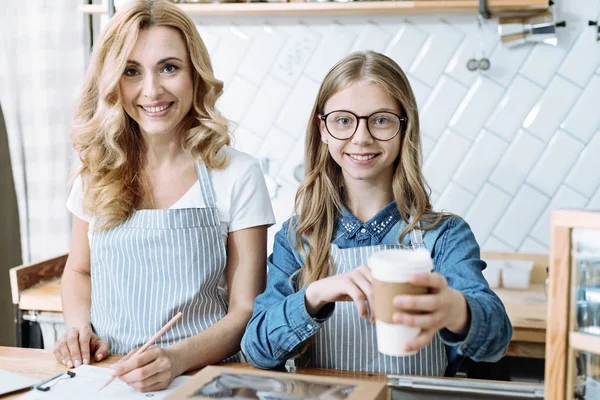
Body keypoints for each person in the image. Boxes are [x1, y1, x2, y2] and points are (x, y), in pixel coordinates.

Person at [241, 51, 512, 377]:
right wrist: (315, 294)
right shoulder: (299, 237)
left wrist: (456, 310)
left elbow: (496, 341)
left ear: (404, 128)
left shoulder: (444, 235)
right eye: (343, 120)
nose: (361, 137)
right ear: (323, 130)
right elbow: (256, 350)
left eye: (380, 119)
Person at [53, 0, 275, 392]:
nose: (151, 90)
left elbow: (246, 311)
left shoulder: (237, 174)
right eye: (131, 72)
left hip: (204, 380)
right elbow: (79, 271)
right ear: (113, 82)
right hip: (109, 379)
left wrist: (175, 360)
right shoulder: (98, 170)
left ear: (194, 74)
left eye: (169, 68)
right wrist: (77, 328)